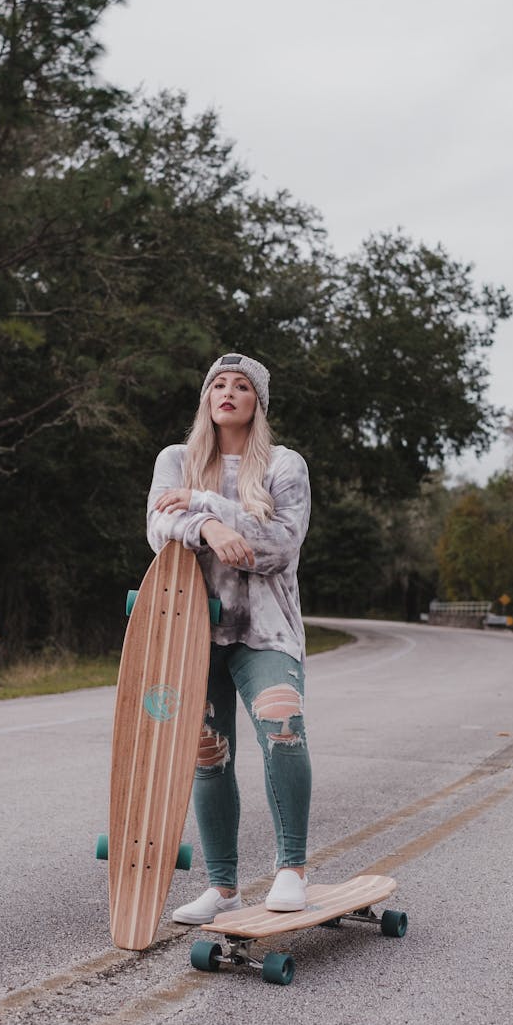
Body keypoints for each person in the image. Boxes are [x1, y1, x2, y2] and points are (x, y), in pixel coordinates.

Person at [147, 352, 312, 925]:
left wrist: (203, 503)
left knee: (282, 729)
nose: (228, 391)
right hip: (194, 630)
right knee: (208, 756)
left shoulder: (285, 465)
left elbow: (279, 546)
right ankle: (222, 887)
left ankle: (292, 869)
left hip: (266, 630)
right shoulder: (176, 459)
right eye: (218, 383)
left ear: (256, 403)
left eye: (242, 386)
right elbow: (157, 527)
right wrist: (210, 526)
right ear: (205, 398)